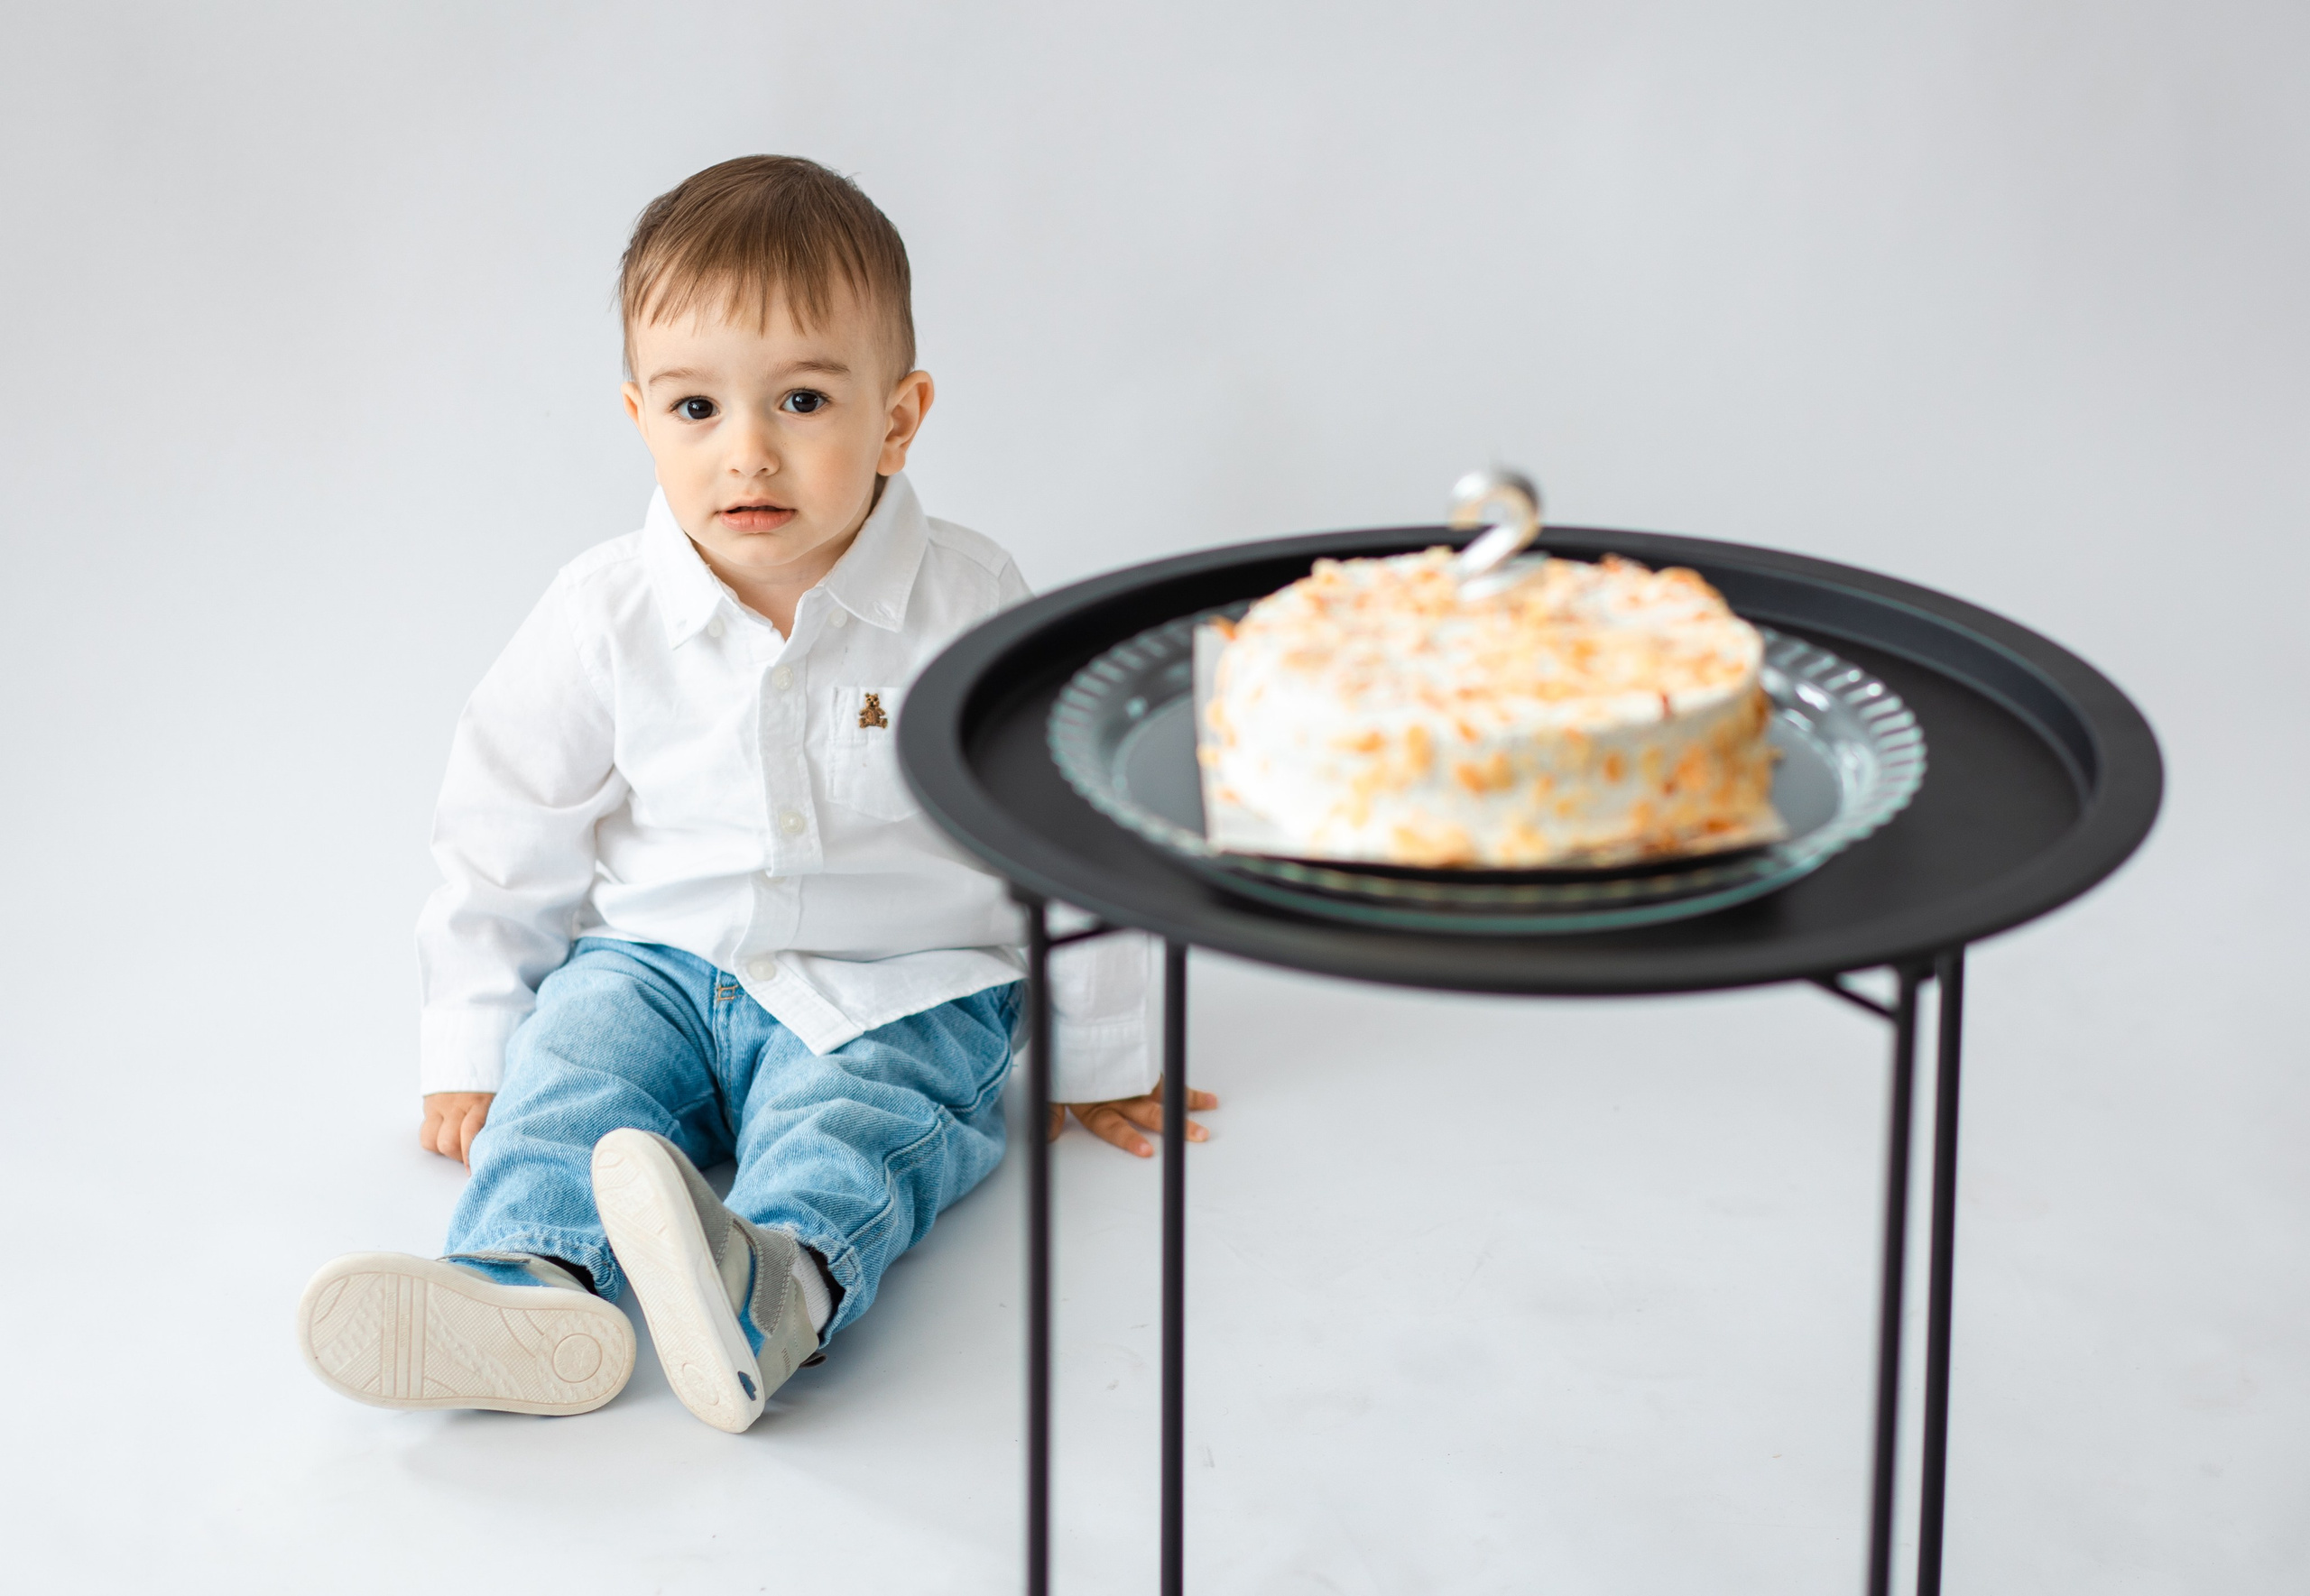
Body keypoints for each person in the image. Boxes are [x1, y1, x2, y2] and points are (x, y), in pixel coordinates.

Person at [295, 155, 1215, 1433]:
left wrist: (1102, 1048)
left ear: (898, 417)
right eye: (694, 409)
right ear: (637, 415)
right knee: (574, 1069)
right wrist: (473, 1035)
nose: (748, 453)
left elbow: (1068, 827)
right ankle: (519, 1284)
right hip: (662, 962)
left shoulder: (965, 606)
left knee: (862, 1120)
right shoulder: (605, 612)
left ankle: (767, 1286)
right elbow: (507, 825)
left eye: (800, 399)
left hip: (899, 975)